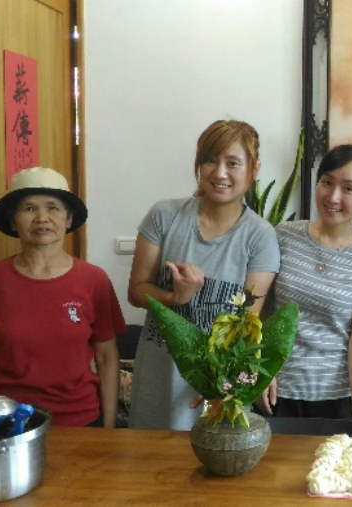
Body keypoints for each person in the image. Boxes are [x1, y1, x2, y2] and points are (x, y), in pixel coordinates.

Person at [127, 120, 280, 430]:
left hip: (219, 386)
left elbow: (248, 322)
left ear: (254, 168)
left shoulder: (260, 236)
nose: (219, 173)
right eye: (210, 160)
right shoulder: (165, 216)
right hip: (159, 376)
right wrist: (174, 297)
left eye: (233, 163)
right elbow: (136, 291)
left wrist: (224, 382)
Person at [0, 167, 126, 428]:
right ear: (13, 222)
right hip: (1, 422)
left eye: (53, 208)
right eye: (29, 208)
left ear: (69, 219)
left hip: (77, 419)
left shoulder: (94, 280)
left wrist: (109, 426)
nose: (42, 217)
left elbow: (106, 357)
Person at [269, 145, 352, 427]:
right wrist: (258, 371)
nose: (333, 197)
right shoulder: (283, 236)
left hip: (334, 398)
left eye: (348, 188)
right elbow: (259, 310)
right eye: (327, 182)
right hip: (273, 389)